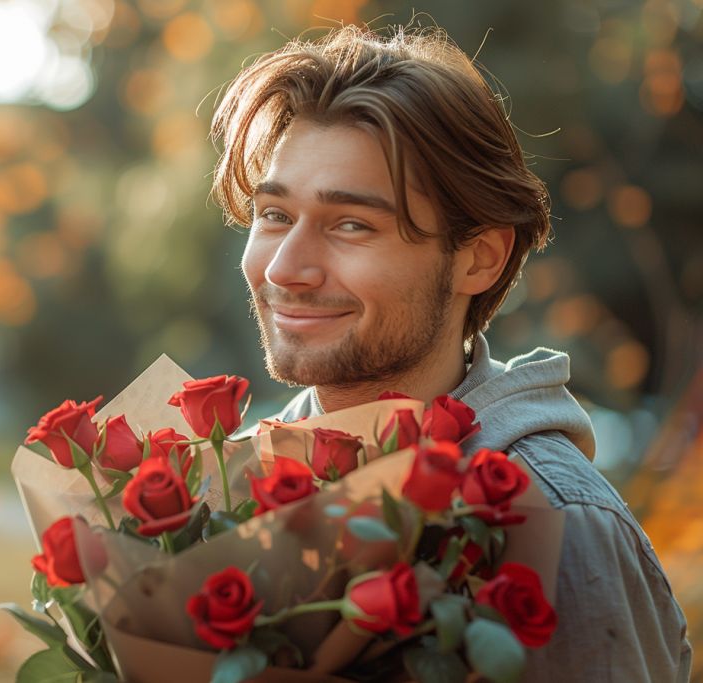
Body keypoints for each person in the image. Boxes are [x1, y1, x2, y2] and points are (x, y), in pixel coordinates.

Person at [210, 23, 691, 681]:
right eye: (273, 215)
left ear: (479, 257)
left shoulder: (553, 521)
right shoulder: (219, 498)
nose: (285, 269)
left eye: (352, 224)